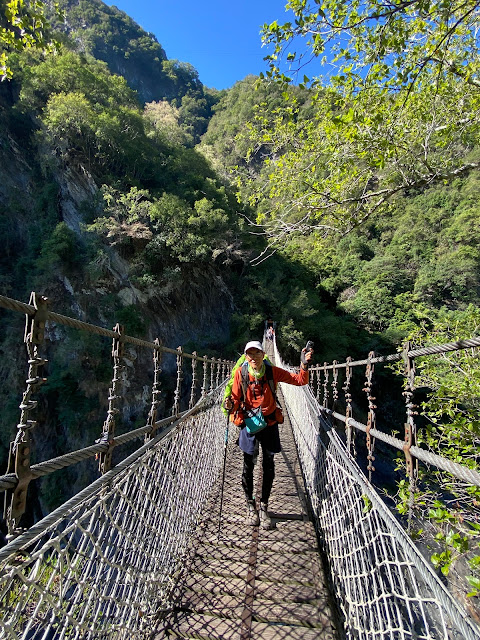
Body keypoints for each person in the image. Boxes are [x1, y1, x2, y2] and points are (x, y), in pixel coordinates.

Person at [224, 340, 313, 529]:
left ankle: (263, 506)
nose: (254, 357)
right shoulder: (241, 373)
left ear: (264, 355)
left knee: (268, 465)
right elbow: (234, 398)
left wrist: (303, 364)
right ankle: (250, 505)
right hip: (250, 424)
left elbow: (300, 380)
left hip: (270, 423)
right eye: (250, 354)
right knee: (248, 465)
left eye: (257, 353)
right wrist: (230, 405)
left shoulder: (272, 372)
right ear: (246, 357)